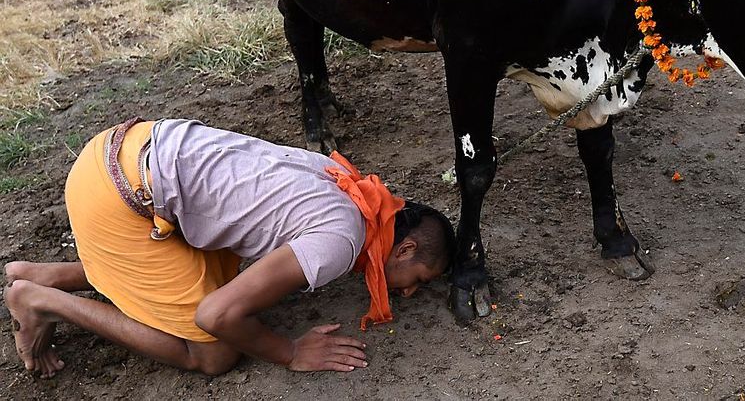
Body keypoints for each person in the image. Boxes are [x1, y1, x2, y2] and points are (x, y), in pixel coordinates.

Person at [3, 117, 455, 378]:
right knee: (214, 352)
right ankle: (41, 300)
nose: (410, 292)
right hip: (117, 200)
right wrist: (289, 352)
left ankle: (49, 273)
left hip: (118, 151)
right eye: (418, 280)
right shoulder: (341, 240)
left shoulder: (344, 184)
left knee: (222, 270)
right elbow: (216, 315)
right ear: (404, 248)